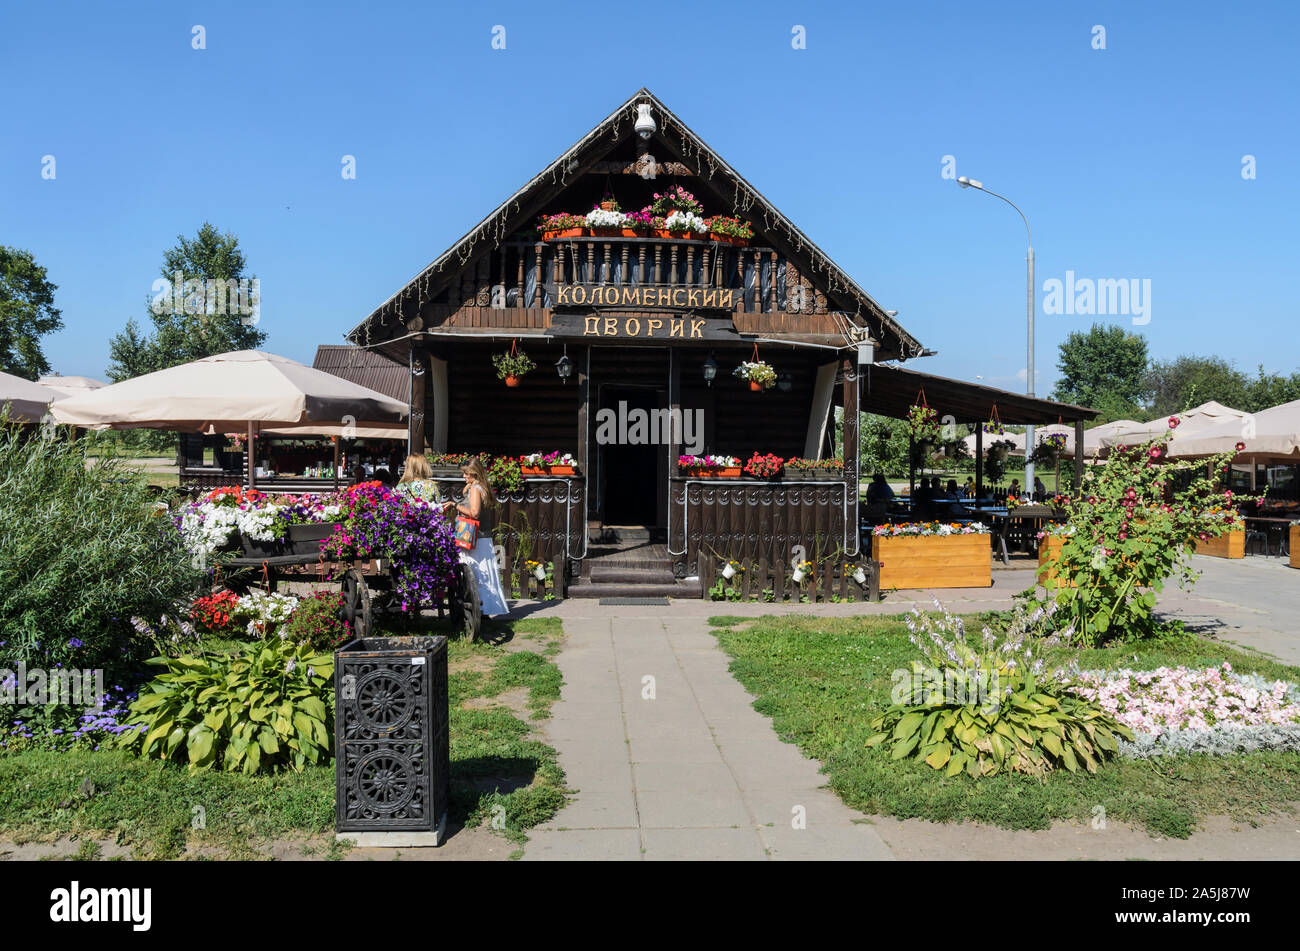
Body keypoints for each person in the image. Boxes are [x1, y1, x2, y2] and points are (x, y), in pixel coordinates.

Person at [442, 459, 509, 617]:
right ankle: (486, 608)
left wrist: (454, 505)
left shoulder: (476, 489)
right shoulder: (480, 487)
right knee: (484, 573)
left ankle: (482, 609)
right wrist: (468, 488)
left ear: (474, 473)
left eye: (466, 473)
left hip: (475, 538)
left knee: (477, 574)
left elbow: (474, 513)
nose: (463, 476)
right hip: (482, 537)